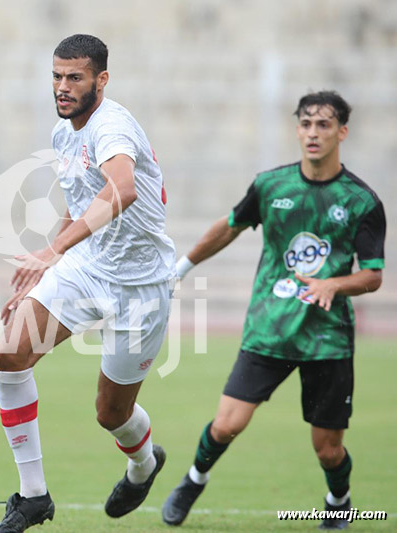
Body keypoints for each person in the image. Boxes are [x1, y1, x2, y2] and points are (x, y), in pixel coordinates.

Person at [161, 91, 385, 530]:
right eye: (306, 124)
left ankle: (339, 501)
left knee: (328, 449)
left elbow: (373, 275)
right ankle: (193, 479)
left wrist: (332, 284)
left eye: (324, 125)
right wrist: (182, 267)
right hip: (269, 330)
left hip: (327, 339)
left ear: (342, 132)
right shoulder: (270, 186)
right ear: (297, 129)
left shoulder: (361, 201)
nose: (313, 133)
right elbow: (229, 228)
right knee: (226, 425)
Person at [0, 34, 176, 532]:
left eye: (74, 77)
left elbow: (123, 189)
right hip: (88, 270)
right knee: (10, 351)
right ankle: (33, 497)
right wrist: (48, 267)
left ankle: (143, 465)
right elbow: (81, 204)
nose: (63, 87)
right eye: (56, 76)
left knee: (111, 413)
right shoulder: (62, 133)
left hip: (141, 287)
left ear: (101, 80)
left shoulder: (111, 125)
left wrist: (52, 250)